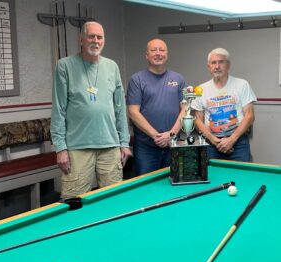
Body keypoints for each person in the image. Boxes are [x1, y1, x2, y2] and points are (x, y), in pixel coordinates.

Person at [51, 21, 131, 199]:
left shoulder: (112, 67)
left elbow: (119, 108)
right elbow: (59, 109)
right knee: (74, 201)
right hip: (77, 147)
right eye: (91, 36)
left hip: (110, 145)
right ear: (81, 40)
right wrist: (60, 148)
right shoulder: (64, 66)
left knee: (114, 200)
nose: (96, 41)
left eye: (100, 37)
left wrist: (124, 142)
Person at [126, 39, 186, 175]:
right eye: (154, 50)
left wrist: (170, 135)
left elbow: (185, 110)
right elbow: (133, 112)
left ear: (167, 54)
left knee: (173, 183)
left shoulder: (178, 79)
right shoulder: (137, 80)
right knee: (146, 187)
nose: (158, 53)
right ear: (146, 55)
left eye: (162, 50)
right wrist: (157, 136)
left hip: (173, 144)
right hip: (146, 148)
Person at [192, 48, 256, 162]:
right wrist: (214, 140)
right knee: (213, 177)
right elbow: (197, 120)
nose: (217, 66)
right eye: (213, 63)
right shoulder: (201, 90)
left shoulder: (242, 84)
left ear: (228, 65)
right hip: (211, 145)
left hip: (239, 144)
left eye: (221, 62)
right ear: (209, 67)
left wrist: (231, 140)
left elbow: (249, 116)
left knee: (241, 177)